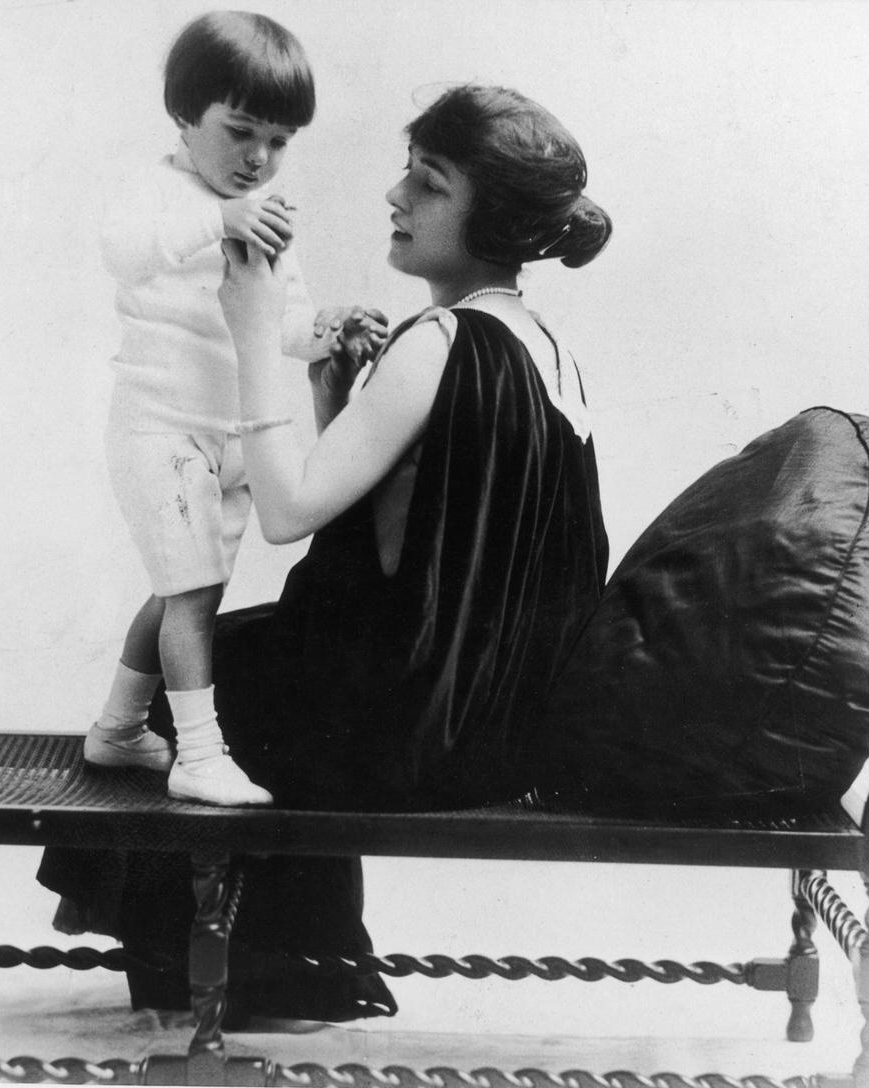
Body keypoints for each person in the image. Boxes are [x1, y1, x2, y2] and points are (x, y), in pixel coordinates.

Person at [40, 83, 612, 1024]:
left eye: (427, 184)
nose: (396, 197)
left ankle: (253, 972)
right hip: (494, 715)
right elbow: (401, 511)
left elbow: (288, 513)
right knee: (248, 650)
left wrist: (253, 335)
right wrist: (332, 392)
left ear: (494, 216)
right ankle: (287, 959)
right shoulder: (534, 340)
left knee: (217, 682)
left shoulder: (438, 339)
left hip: (418, 729)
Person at [83, 10, 387, 807]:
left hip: (229, 438)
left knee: (192, 588)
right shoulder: (161, 193)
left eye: (279, 141)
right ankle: (199, 753)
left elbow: (279, 319)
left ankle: (117, 730)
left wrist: (325, 330)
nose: (259, 159)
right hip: (163, 429)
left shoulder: (264, 214)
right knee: (188, 594)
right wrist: (219, 219)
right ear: (185, 114)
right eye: (242, 130)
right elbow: (122, 251)